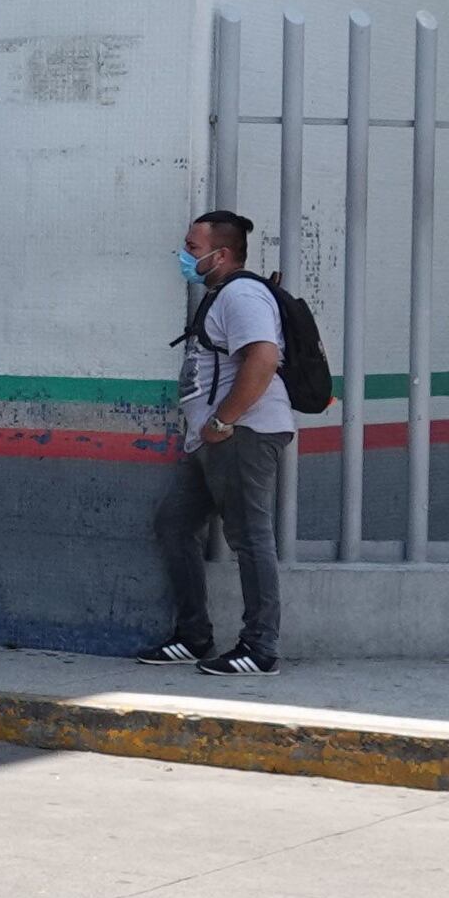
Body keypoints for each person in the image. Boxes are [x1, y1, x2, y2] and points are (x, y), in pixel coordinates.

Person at [144, 209, 297, 676]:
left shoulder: (242, 295)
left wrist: (223, 420)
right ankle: (194, 636)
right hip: (213, 438)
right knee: (174, 523)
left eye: (192, 248)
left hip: (241, 433)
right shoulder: (222, 294)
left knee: (249, 536)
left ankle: (260, 648)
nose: (184, 255)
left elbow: (263, 358)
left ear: (221, 254)